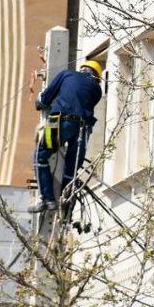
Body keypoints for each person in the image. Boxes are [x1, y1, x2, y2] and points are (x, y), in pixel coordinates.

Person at [30, 60, 104, 214]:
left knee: (40, 156)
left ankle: (47, 199)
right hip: (83, 130)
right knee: (71, 169)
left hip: (58, 123)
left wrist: (41, 102)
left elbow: (44, 99)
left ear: (82, 69)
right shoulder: (97, 90)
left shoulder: (67, 74)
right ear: (97, 77)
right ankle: (66, 203)